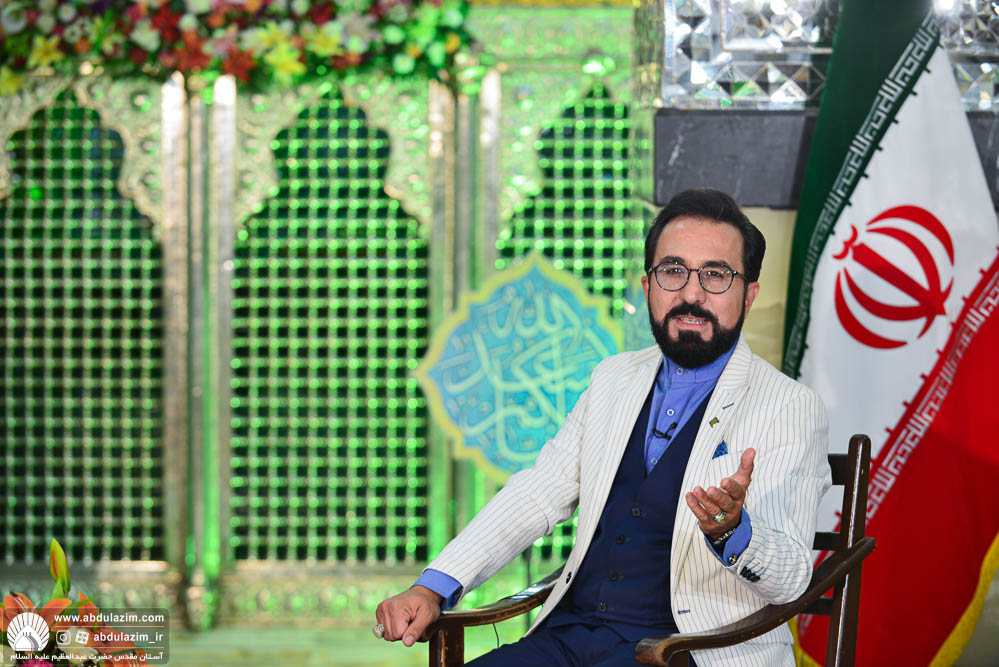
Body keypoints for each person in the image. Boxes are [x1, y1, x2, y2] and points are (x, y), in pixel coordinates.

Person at [374, 188, 831, 666]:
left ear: (748, 295)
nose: (691, 294)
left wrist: (732, 532)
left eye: (715, 275)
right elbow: (536, 494)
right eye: (673, 271)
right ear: (648, 286)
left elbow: (793, 578)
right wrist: (433, 587)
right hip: (568, 637)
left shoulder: (789, 406)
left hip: (688, 650)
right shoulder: (613, 378)